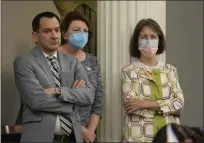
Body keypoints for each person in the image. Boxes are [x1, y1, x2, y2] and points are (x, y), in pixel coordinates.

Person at [13, 11, 95, 142]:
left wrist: (59, 91)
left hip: (72, 138)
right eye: (47, 31)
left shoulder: (72, 62)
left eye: (57, 30)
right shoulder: (24, 62)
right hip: (40, 138)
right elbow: (36, 101)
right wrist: (73, 103)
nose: (54, 36)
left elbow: (89, 95)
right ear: (35, 36)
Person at [121, 18, 184, 142]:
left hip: (169, 135)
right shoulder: (128, 71)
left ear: (159, 40)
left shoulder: (171, 70)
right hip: (138, 136)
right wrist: (168, 109)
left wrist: (144, 103)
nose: (149, 41)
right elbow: (132, 107)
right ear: (137, 41)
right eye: (144, 37)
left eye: (153, 36)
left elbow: (179, 104)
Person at [58, 11, 103, 142]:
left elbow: (98, 100)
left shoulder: (92, 61)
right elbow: (53, 97)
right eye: (76, 30)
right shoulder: (54, 58)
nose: (82, 34)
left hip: (86, 135)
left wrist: (89, 131)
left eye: (85, 31)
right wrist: (78, 129)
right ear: (65, 34)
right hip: (59, 131)